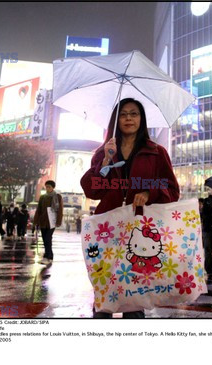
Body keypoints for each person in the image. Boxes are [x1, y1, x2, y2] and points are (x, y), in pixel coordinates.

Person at [81, 98, 180, 319]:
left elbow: (172, 189)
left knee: (134, 293)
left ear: (141, 119)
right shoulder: (104, 151)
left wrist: (148, 193)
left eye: (134, 114)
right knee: (104, 292)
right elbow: (91, 190)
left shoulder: (157, 152)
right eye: (124, 114)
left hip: (140, 231)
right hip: (107, 228)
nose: (128, 118)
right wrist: (105, 160)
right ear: (116, 120)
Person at [34, 180, 63, 265]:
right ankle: (49, 256)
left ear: (53, 187)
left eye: (49, 187)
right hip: (43, 221)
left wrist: (58, 221)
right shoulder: (42, 197)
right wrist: (36, 221)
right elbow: (38, 210)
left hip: (52, 221)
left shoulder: (57, 197)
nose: (47, 188)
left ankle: (47, 256)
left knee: (47, 238)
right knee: (45, 239)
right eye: (46, 187)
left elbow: (60, 209)